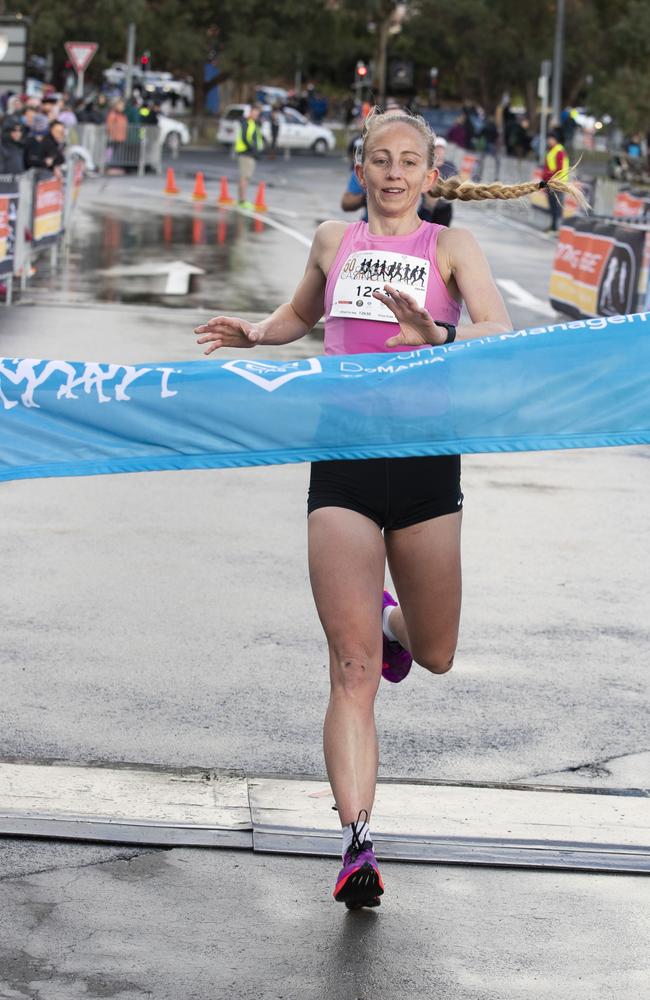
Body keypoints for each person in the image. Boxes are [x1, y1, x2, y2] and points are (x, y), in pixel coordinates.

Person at [194, 107, 585, 910]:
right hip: (342, 460)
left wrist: (437, 335)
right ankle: (355, 844)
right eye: (381, 159)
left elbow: (498, 330)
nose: (395, 172)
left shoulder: (452, 248)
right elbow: (303, 315)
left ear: (431, 174)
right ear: (362, 170)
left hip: (425, 466)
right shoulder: (334, 242)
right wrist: (258, 334)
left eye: (410, 160)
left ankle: (392, 622)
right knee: (350, 671)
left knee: (435, 651)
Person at [235, 104, 263, 208]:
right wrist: (252, 148)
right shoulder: (247, 122)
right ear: (250, 112)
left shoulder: (253, 123)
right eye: (255, 112)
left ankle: (241, 200)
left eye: (258, 113)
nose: (256, 115)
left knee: (245, 177)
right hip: (246, 154)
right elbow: (244, 138)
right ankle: (242, 201)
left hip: (249, 154)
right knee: (244, 177)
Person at [542, 129, 570, 233]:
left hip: (558, 183)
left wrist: (548, 176)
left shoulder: (559, 151)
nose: (549, 141)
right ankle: (553, 226)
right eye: (548, 138)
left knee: (557, 206)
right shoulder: (552, 151)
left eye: (551, 138)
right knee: (552, 206)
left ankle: (557, 228)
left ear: (555, 140)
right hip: (550, 182)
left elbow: (559, 168)